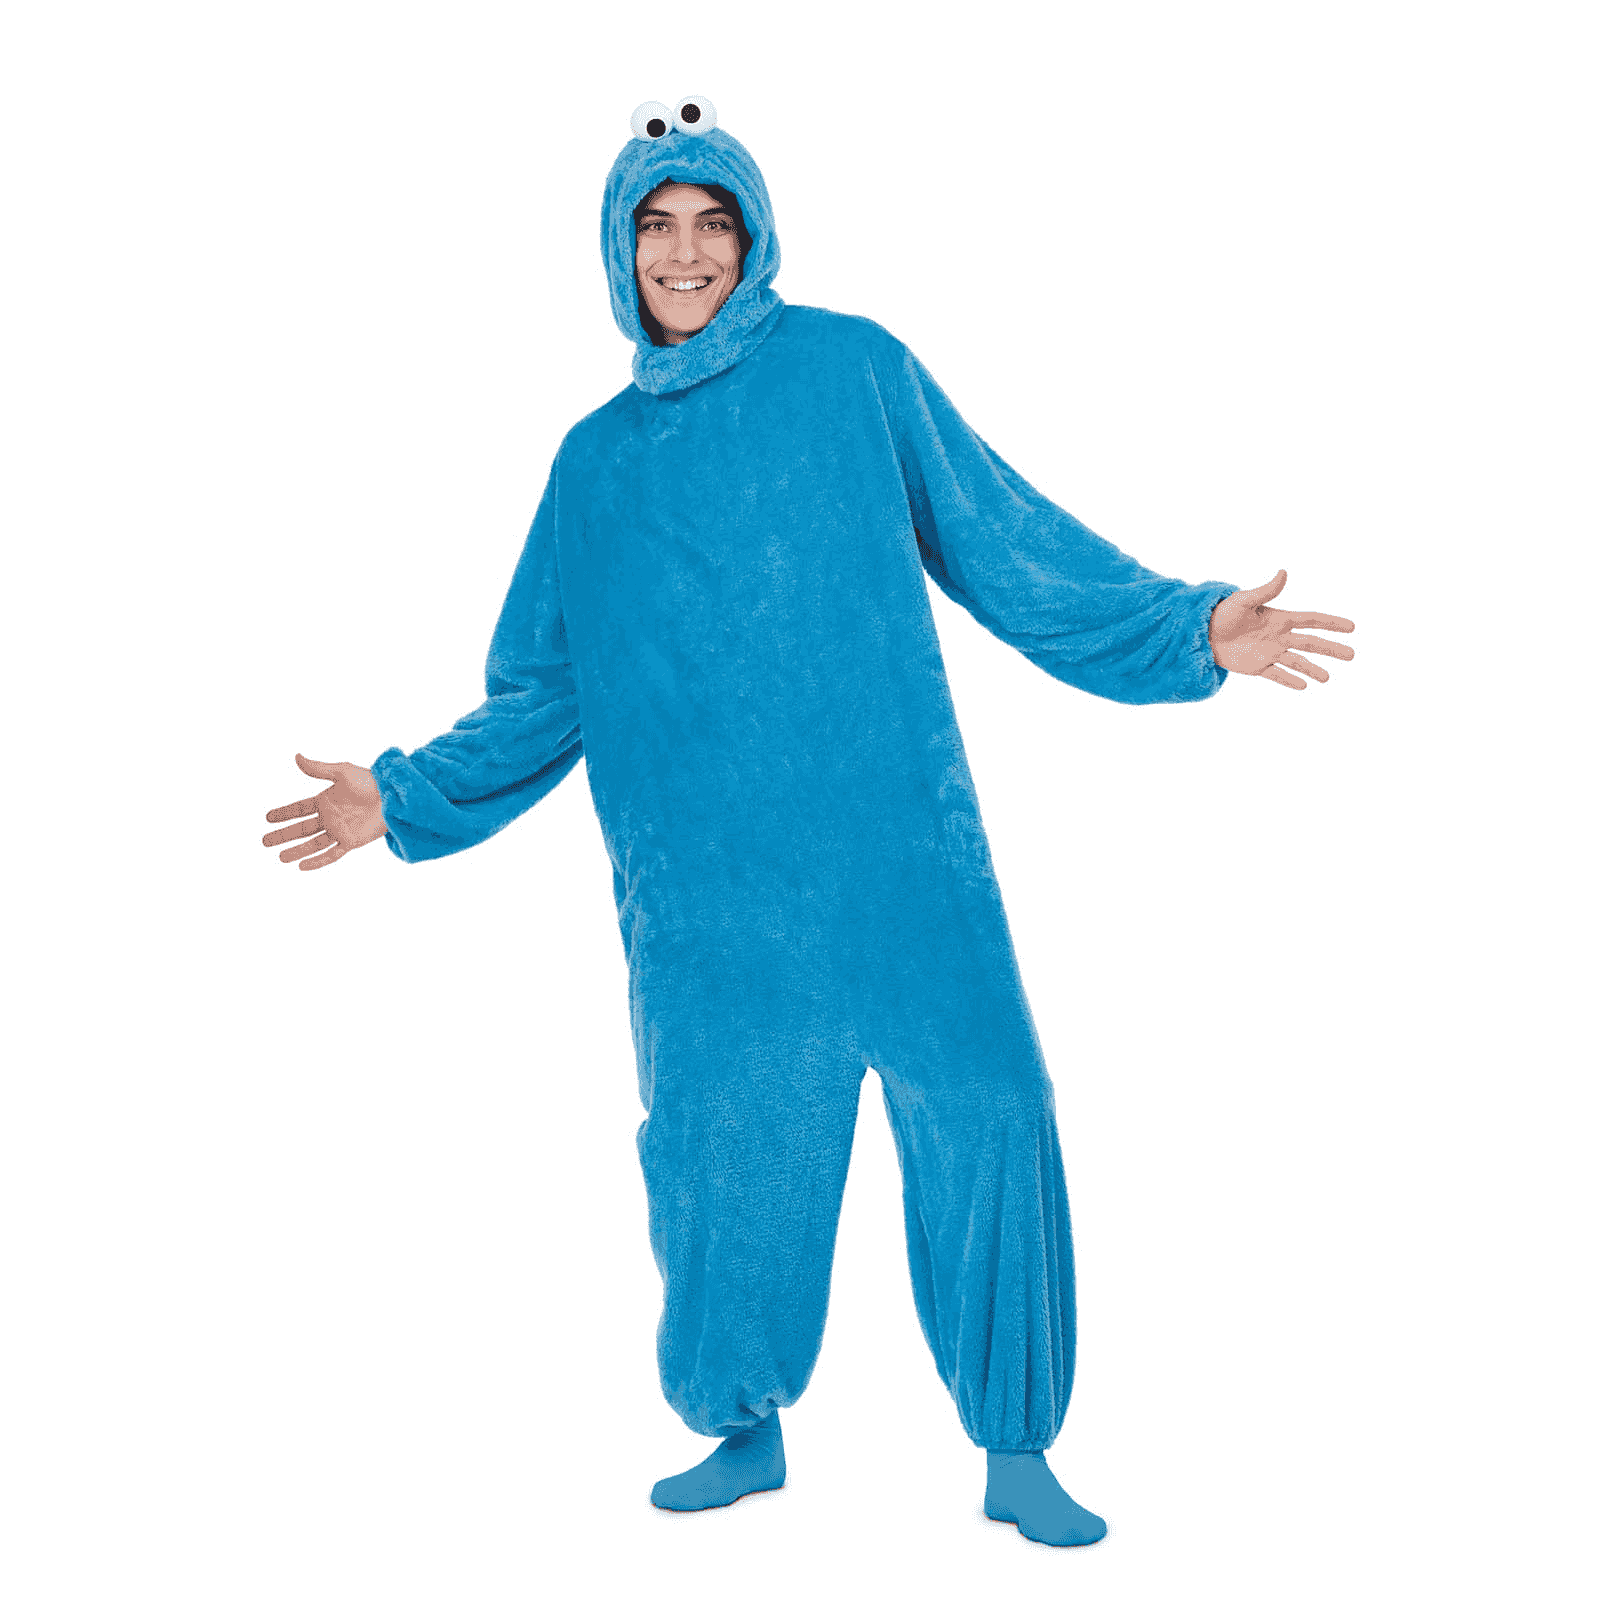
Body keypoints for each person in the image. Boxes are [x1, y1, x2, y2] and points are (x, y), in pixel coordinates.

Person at [263, 97, 1354, 1547]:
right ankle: (743, 1426)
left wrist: (1186, 629)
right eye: (658, 226)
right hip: (707, 909)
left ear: (755, 234)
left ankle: (1016, 1450)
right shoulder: (593, 465)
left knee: (994, 1117)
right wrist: (402, 797)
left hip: (903, 868)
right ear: (618, 251)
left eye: (714, 222)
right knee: (724, 1164)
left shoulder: (853, 370)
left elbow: (1005, 543)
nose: (687, 252)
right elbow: (544, 695)